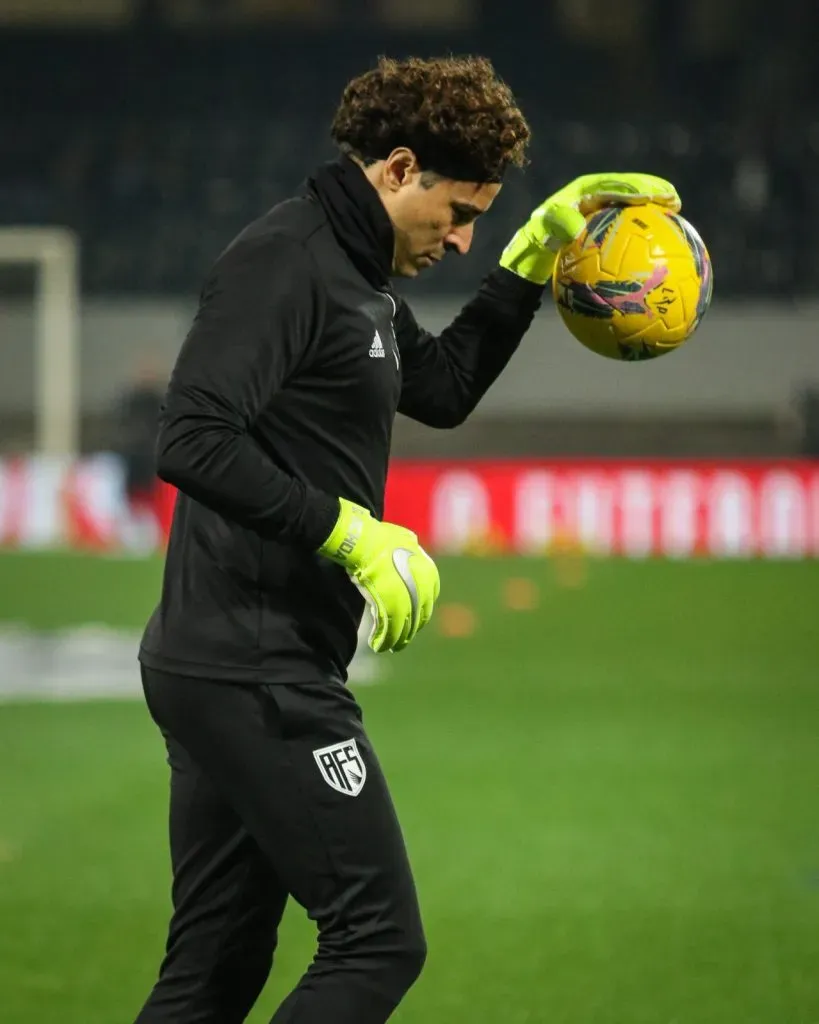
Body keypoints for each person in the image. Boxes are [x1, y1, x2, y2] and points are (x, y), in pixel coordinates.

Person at [135, 55, 681, 1024]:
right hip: (256, 666)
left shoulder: (355, 279)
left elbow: (442, 388)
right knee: (378, 939)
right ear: (397, 169)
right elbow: (190, 436)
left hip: (234, 659)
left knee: (215, 969)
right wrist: (348, 531)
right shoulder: (286, 262)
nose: (464, 239)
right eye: (459, 213)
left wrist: (531, 254)